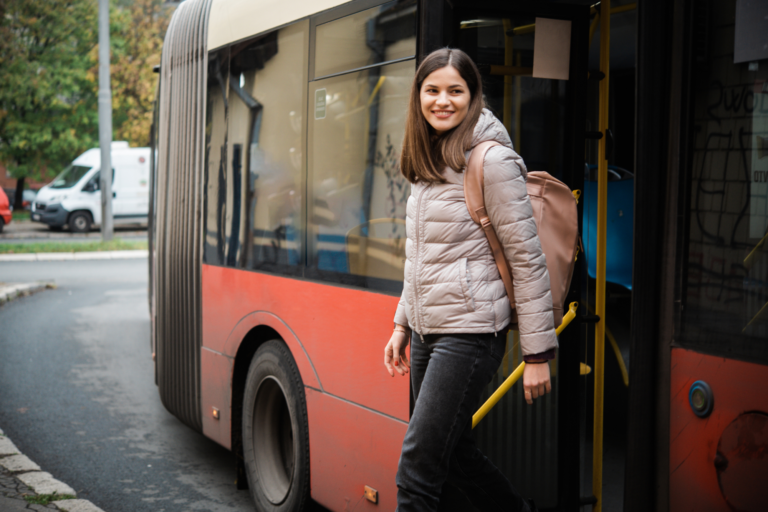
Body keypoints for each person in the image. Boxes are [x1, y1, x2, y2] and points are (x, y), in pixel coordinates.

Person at [383, 48, 558, 512]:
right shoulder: (427, 159)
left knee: (416, 468)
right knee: (454, 456)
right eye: (432, 90)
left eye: (455, 91)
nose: (443, 101)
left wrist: (538, 353)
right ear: (418, 96)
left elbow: (527, 258)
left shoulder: (492, 161)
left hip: (471, 331)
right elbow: (423, 255)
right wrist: (402, 323)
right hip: (426, 329)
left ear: (473, 96)